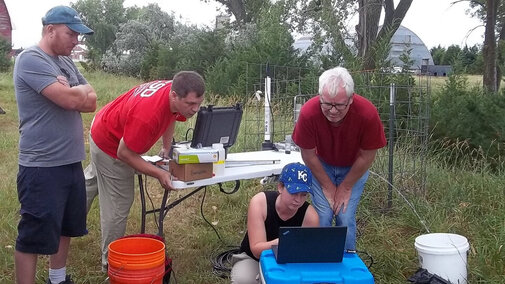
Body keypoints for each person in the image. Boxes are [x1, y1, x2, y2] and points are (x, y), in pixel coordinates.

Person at [87, 71, 205, 271]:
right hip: (109, 144)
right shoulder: (147, 116)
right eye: (191, 104)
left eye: (199, 103)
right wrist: (159, 173)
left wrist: (166, 149)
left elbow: (171, 116)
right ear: (175, 95)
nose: (195, 109)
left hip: (106, 123)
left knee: (90, 183)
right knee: (119, 203)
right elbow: (124, 154)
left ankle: (64, 221)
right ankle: (110, 264)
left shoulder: (174, 91)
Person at [13, 5, 96, 284]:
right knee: (34, 234)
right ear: (50, 30)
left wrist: (76, 90)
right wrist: (76, 92)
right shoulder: (30, 59)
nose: (76, 41)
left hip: (71, 162)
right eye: (71, 34)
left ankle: (57, 280)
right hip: (42, 166)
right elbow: (72, 101)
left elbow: (91, 101)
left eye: (78, 36)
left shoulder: (66, 62)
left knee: (65, 227)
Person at [292, 67, 386, 250]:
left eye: (340, 105)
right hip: (321, 165)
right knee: (324, 214)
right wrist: (328, 185)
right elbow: (308, 154)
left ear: (351, 99)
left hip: (354, 168)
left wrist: (345, 186)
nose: (333, 111)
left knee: (345, 215)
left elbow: (367, 156)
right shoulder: (309, 113)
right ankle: (319, 260)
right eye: (327, 104)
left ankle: (347, 262)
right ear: (320, 97)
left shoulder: (367, 114)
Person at [230, 163, 319, 284]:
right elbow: (256, 250)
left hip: (290, 263)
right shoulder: (260, 203)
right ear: (280, 187)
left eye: (304, 195)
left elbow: (307, 254)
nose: (298, 200)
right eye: (294, 193)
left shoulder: (310, 216)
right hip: (254, 259)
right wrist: (282, 242)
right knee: (244, 280)